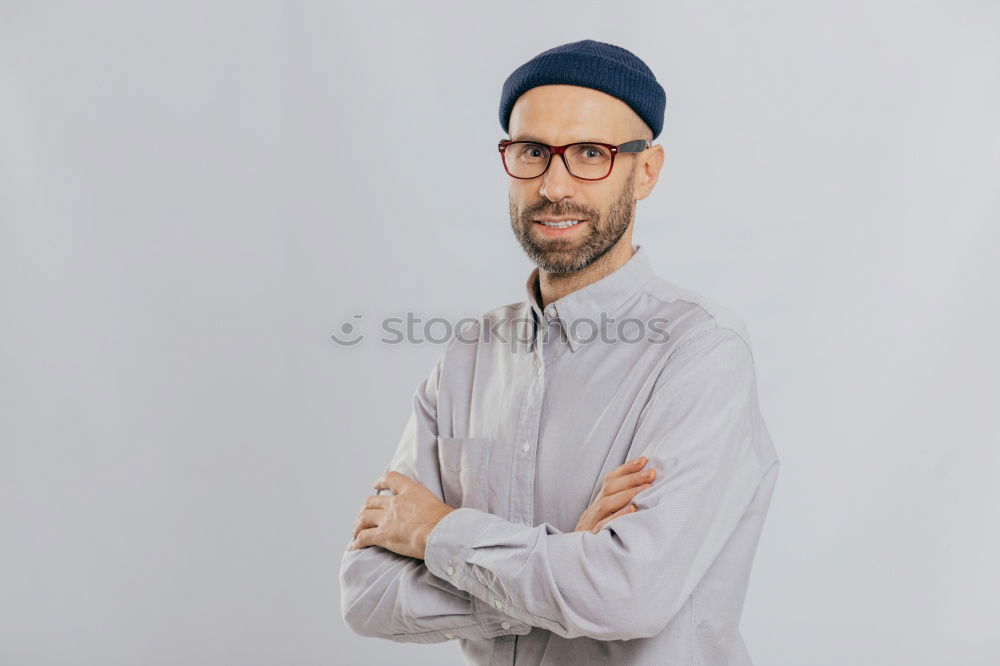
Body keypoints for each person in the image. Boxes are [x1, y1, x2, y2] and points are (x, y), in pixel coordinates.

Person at [339, 38, 780, 665]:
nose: (554, 185)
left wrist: (436, 532)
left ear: (646, 170)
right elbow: (367, 595)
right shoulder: (469, 357)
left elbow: (627, 596)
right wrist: (565, 558)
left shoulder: (702, 353)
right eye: (532, 152)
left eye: (591, 155)